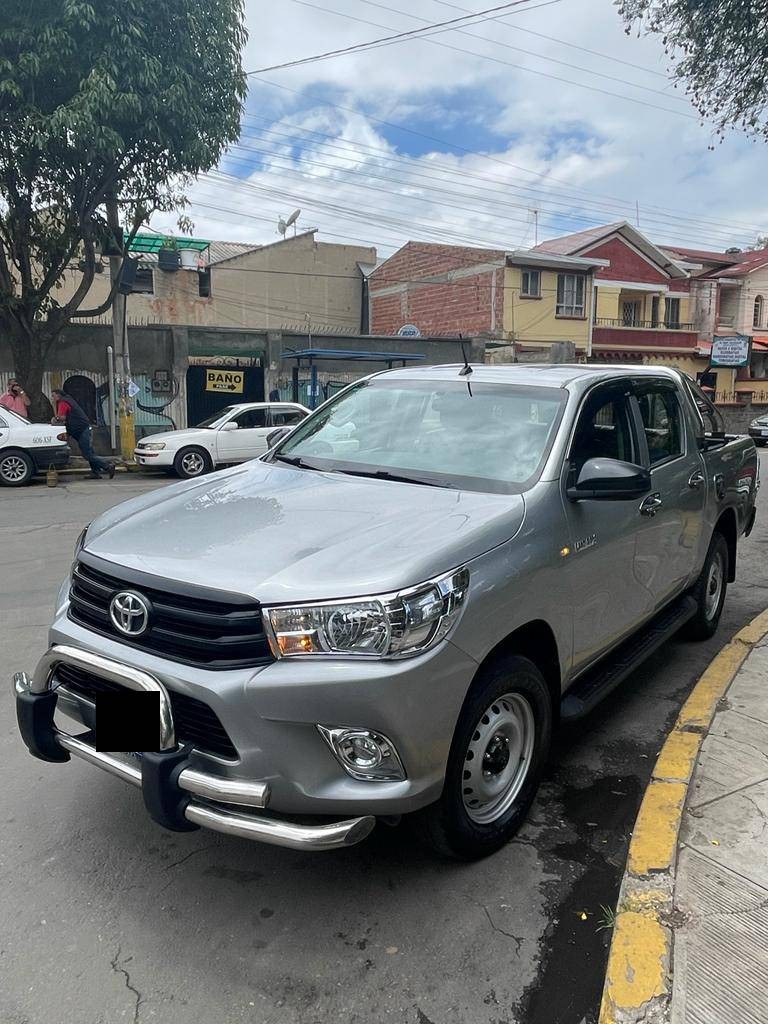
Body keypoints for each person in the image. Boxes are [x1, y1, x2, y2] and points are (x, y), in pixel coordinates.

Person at [51, 389, 115, 479]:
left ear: (58, 396)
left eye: (53, 396)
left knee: (87, 454)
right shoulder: (68, 400)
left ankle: (108, 466)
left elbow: (62, 417)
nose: (52, 398)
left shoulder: (63, 402)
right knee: (90, 452)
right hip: (83, 429)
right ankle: (95, 472)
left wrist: (55, 418)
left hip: (82, 430)